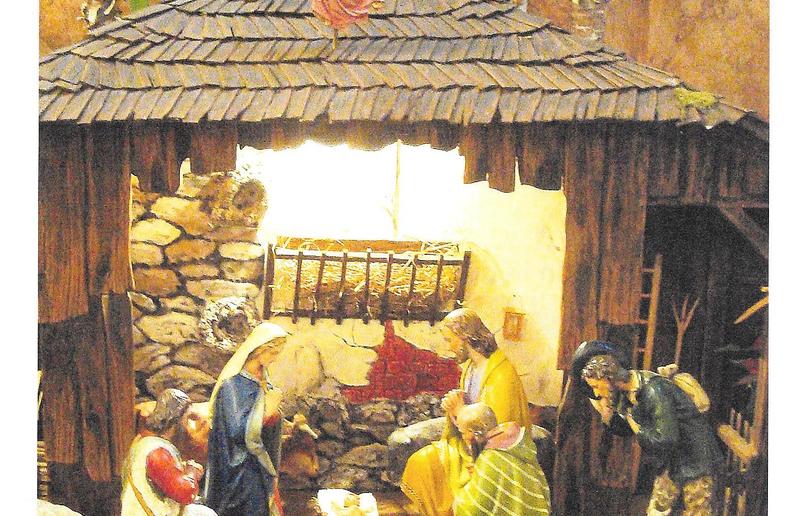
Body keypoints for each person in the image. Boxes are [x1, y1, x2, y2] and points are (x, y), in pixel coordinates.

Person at [401, 308, 531, 516]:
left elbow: (493, 431)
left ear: (465, 337)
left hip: (488, 455)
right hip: (465, 444)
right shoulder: (471, 367)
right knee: (420, 461)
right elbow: (465, 418)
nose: (449, 347)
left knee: (425, 464)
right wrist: (453, 408)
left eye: (450, 340)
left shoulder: (501, 376)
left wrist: (459, 410)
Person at [579, 352, 722, 515]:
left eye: (596, 386)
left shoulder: (654, 391)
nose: (596, 393)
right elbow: (626, 427)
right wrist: (609, 415)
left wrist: (635, 424)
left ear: (607, 378)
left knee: (697, 511)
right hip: (671, 462)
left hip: (697, 460)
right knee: (657, 510)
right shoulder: (627, 391)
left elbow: (664, 440)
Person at [204, 322, 288, 516]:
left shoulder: (263, 381)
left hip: (259, 464)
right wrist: (268, 412)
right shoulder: (231, 386)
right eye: (273, 353)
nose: (275, 359)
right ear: (259, 350)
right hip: (240, 470)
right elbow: (237, 431)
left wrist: (276, 417)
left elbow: (264, 422)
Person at [121, 388, 216, 516]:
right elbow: (184, 493)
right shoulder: (157, 453)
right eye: (190, 418)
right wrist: (191, 472)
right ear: (176, 420)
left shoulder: (147, 443)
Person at [452, 403, 550, 515]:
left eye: (463, 433)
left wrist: (458, 500)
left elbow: (473, 507)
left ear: (474, 432)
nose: (463, 437)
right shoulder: (518, 445)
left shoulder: (490, 458)